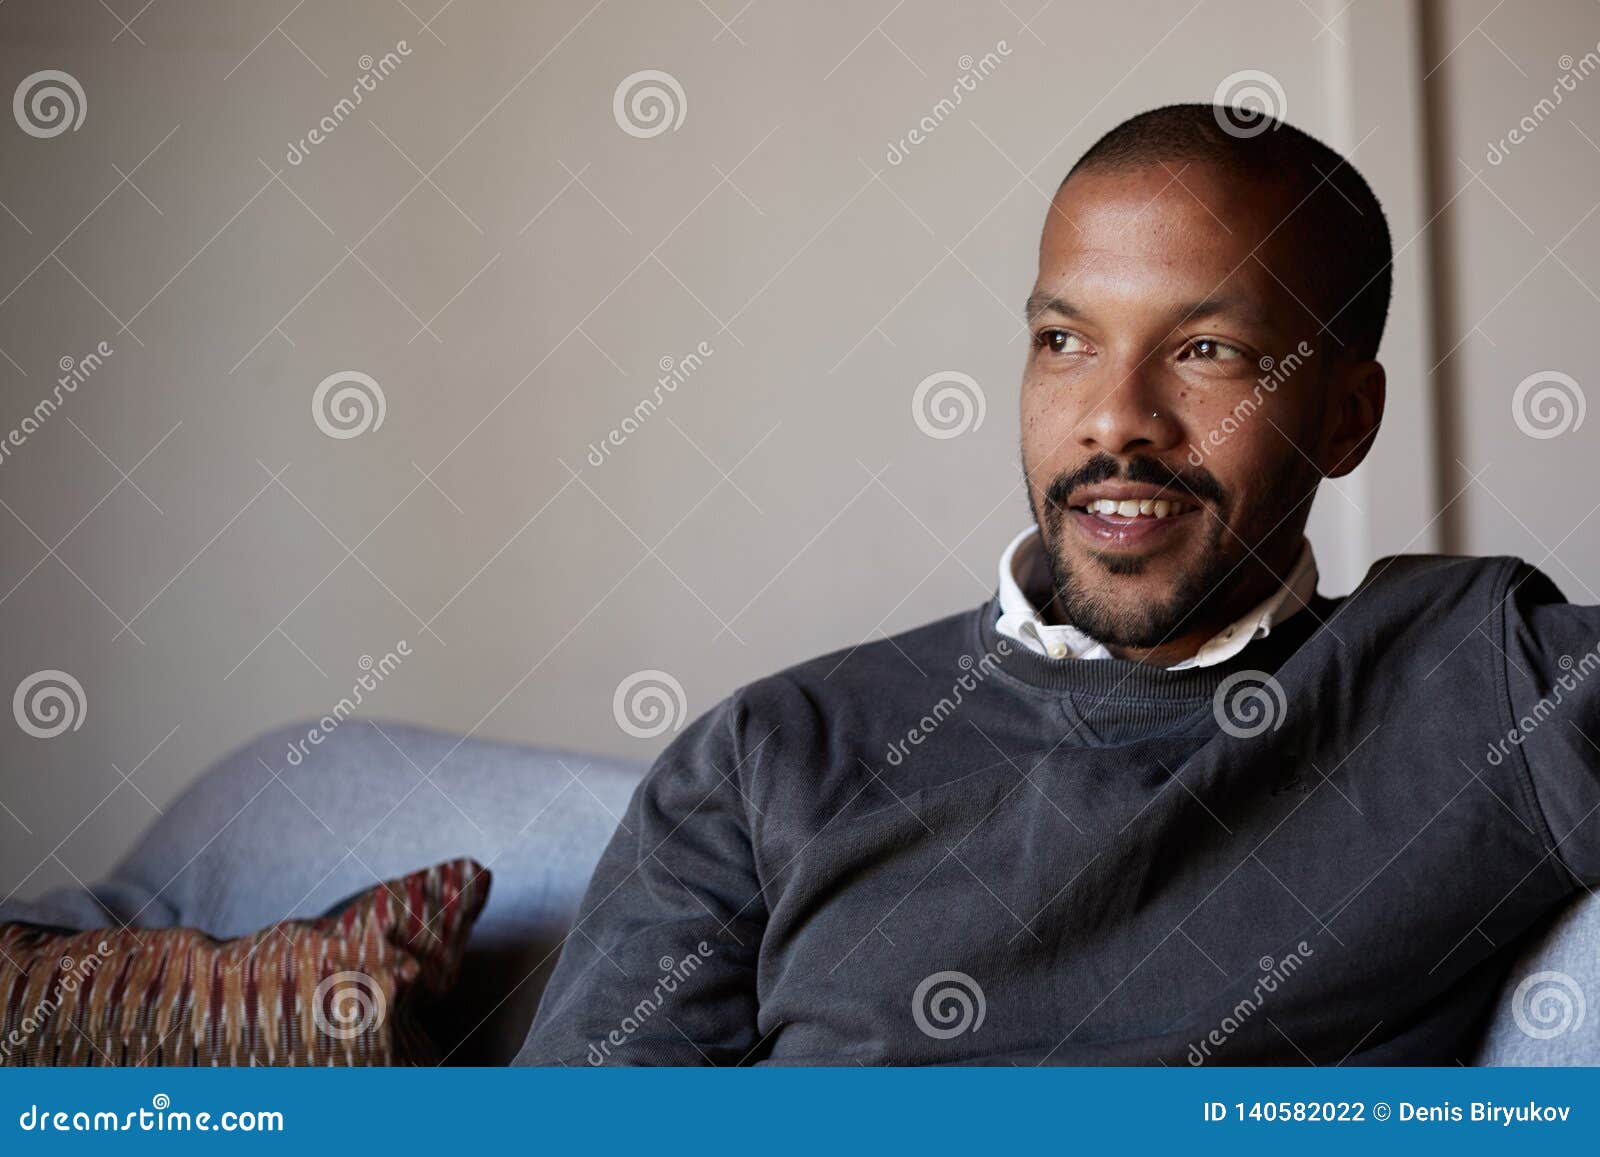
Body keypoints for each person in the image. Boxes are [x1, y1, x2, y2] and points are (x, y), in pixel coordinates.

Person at [516, 104, 1600, 1066]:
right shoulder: (770, 754)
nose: (1114, 413)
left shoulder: (1473, 689)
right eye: (1063, 338)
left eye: (1208, 348)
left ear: (1342, 419)